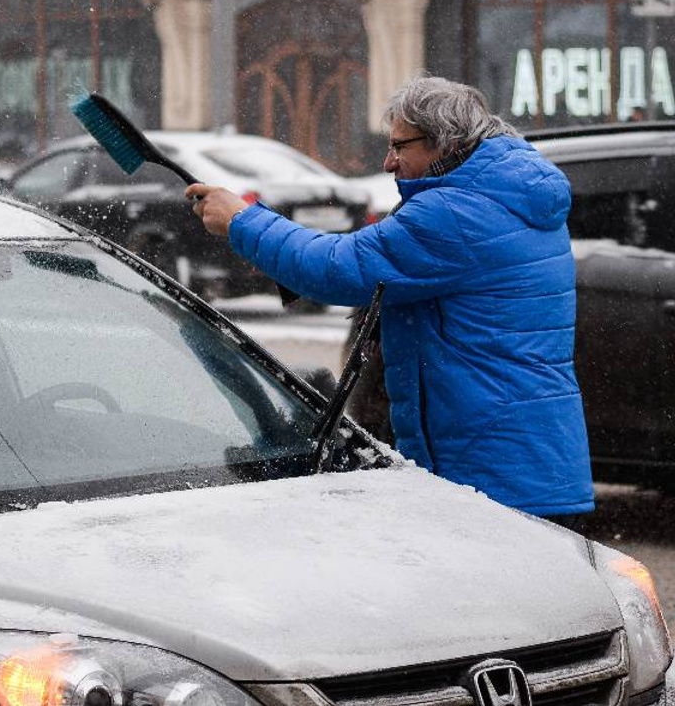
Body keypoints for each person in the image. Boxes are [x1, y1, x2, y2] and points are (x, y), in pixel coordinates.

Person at [186, 75, 593, 528]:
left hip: (492, 472)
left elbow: (338, 268)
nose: (388, 162)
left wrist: (243, 221)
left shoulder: (457, 213)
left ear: (445, 143)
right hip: (524, 461)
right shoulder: (504, 193)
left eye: (401, 147)